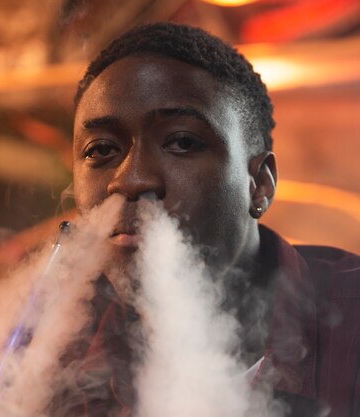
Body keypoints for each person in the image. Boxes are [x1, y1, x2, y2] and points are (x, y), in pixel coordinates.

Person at [51, 22, 360, 417]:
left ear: (259, 185)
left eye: (182, 142)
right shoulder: (58, 354)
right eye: (100, 150)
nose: (130, 179)